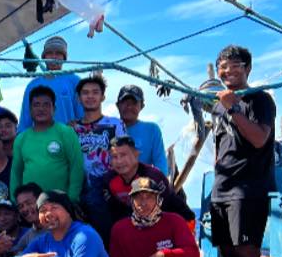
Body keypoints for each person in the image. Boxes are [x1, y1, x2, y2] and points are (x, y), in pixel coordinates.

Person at [210, 44, 276, 257]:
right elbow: (219, 146)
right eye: (223, 67)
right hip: (221, 188)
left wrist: (234, 107)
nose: (228, 71)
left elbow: (260, 139)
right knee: (228, 254)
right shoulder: (217, 106)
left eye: (235, 65)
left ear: (248, 68)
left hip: (248, 188)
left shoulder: (260, 99)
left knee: (247, 254)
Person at [72, 75, 126, 242]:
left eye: (95, 92)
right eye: (85, 93)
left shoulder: (115, 124)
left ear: (102, 96)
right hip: (80, 194)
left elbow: (125, 157)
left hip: (109, 194)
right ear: (78, 98)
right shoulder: (71, 128)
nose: (90, 96)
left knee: (110, 241)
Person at [10, 85, 83, 196]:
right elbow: (16, 173)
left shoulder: (67, 133)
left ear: (54, 109)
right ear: (30, 109)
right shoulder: (21, 138)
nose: (41, 109)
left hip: (60, 201)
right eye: (36, 105)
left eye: (46, 105)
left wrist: (73, 198)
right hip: (30, 204)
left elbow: (76, 168)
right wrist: (15, 200)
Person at [104, 136, 194, 226]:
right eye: (114, 157)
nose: (119, 161)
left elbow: (168, 205)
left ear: (136, 155)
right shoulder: (109, 181)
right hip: (138, 221)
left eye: (123, 155)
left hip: (177, 220)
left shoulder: (153, 177)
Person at [18, 36, 83, 128]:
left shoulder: (75, 81)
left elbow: (83, 117)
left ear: (64, 58)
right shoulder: (32, 85)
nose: (54, 56)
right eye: (50, 53)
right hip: (40, 136)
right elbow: (25, 121)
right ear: (44, 56)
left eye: (58, 53)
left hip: (68, 135)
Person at [115, 84, 167, 172]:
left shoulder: (152, 130)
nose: (129, 106)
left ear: (142, 106)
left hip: (143, 180)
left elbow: (161, 167)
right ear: (117, 105)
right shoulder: (106, 131)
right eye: (125, 102)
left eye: (134, 103)